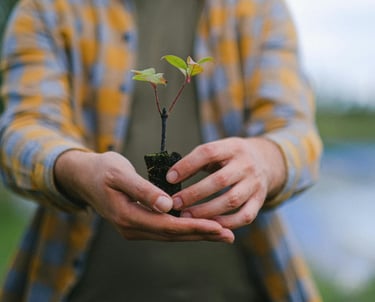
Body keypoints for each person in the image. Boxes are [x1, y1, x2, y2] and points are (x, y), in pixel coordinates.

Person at [0, 0, 323, 301]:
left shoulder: (256, 8)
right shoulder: (49, 7)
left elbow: (298, 133)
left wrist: (265, 159)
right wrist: (75, 170)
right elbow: (22, 129)